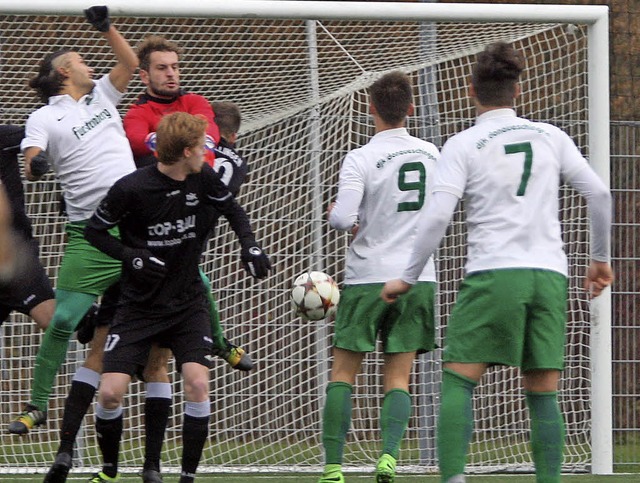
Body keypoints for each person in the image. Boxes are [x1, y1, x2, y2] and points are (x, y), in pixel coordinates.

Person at [380, 42, 614, 483]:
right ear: (517, 91)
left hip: (494, 273)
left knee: (459, 379)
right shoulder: (551, 136)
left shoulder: (464, 144)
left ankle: (454, 478)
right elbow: (600, 194)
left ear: (471, 90)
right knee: (543, 391)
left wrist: (408, 276)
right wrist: (599, 259)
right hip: (549, 276)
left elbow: (437, 216)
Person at [83, 111, 270, 483]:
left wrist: (249, 246)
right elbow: (94, 231)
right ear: (186, 151)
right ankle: (109, 471)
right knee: (109, 393)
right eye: (203, 146)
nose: (207, 151)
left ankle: (187, 476)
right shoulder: (131, 188)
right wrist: (131, 256)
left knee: (198, 382)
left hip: (187, 303)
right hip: (138, 305)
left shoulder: (203, 178)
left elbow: (233, 211)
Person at [8, 5, 139, 441]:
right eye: (81, 59)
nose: (89, 64)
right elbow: (30, 157)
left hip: (137, 220)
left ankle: (219, 341)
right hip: (91, 235)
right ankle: (36, 407)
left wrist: (106, 28)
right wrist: (37, 163)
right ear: (64, 70)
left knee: (190, 274)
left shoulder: (103, 95)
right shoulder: (45, 116)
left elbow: (130, 63)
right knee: (63, 320)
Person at [318, 71, 440, 483]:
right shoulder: (432, 153)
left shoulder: (360, 158)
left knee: (343, 373)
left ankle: (333, 467)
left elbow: (341, 218)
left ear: (371, 108)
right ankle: (388, 458)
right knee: (399, 377)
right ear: (410, 107)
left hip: (368, 276)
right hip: (418, 277)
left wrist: (347, 219)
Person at [0, 125, 55, 330]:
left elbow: (44, 134)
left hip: (15, 258)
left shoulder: (4, 138)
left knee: (52, 320)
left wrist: (37, 162)